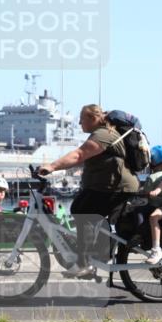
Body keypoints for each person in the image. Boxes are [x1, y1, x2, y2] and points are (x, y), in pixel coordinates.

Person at [38, 104, 139, 277]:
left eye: (82, 119)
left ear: (93, 119)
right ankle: (98, 253)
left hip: (118, 187)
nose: (79, 123)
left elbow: (78, 155)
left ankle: (85, 263)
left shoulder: (103, 134)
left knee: (82, 211)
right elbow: (84, 160)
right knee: (80, 207)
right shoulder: (102, 133)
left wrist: (52, 166)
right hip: (108, 186)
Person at [140, 145, 162, 264]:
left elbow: (145, 194)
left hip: (154, 206)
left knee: (136, 211)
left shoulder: (152, 177)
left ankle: (139, 235)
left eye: (152, 160)